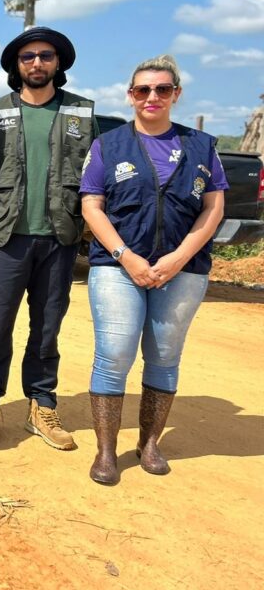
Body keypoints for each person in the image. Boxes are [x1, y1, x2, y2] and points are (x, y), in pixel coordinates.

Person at [81, 54, 226, 485]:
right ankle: (106, 451)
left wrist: (179, 257)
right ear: (130, 96)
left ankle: (149, 443)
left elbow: (213, 208)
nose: (152, 97)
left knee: (165, 354)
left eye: (162, 89)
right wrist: (127, 255)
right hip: (118, 265)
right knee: (116, 353)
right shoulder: (109, 144)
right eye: (143, 90)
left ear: (176, 94)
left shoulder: (202, 146)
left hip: (183, 268)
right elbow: (91, 204)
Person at [0, 27, 97, 451]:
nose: (37, 63)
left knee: (47, 327)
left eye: (46, 56)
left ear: (58, 63)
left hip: (59, 236)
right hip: (8, 237)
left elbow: (96, 180)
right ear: (16, 66)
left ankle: (41, 404)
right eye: (28, 57)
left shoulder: (81, 114)